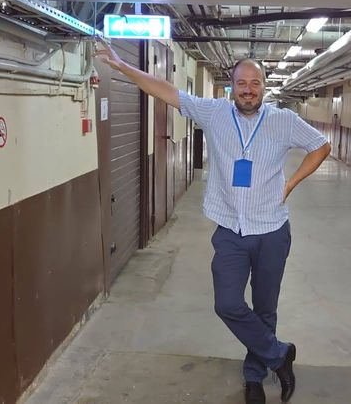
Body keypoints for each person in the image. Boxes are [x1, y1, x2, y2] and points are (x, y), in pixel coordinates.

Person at [96, 41, 330, 404]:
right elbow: (167, 90)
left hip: (271, 230)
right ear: (231, 85)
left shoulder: (284, 121)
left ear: (263, 87)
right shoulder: (214, 113)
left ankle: (255, 376)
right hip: (230, 231)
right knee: (228, 303)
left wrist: (291, 182)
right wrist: (122, 66)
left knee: (265, 307)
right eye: (241, 83)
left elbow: (321, 145)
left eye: (255, 83)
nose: (248, 90)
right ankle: (280, 355)